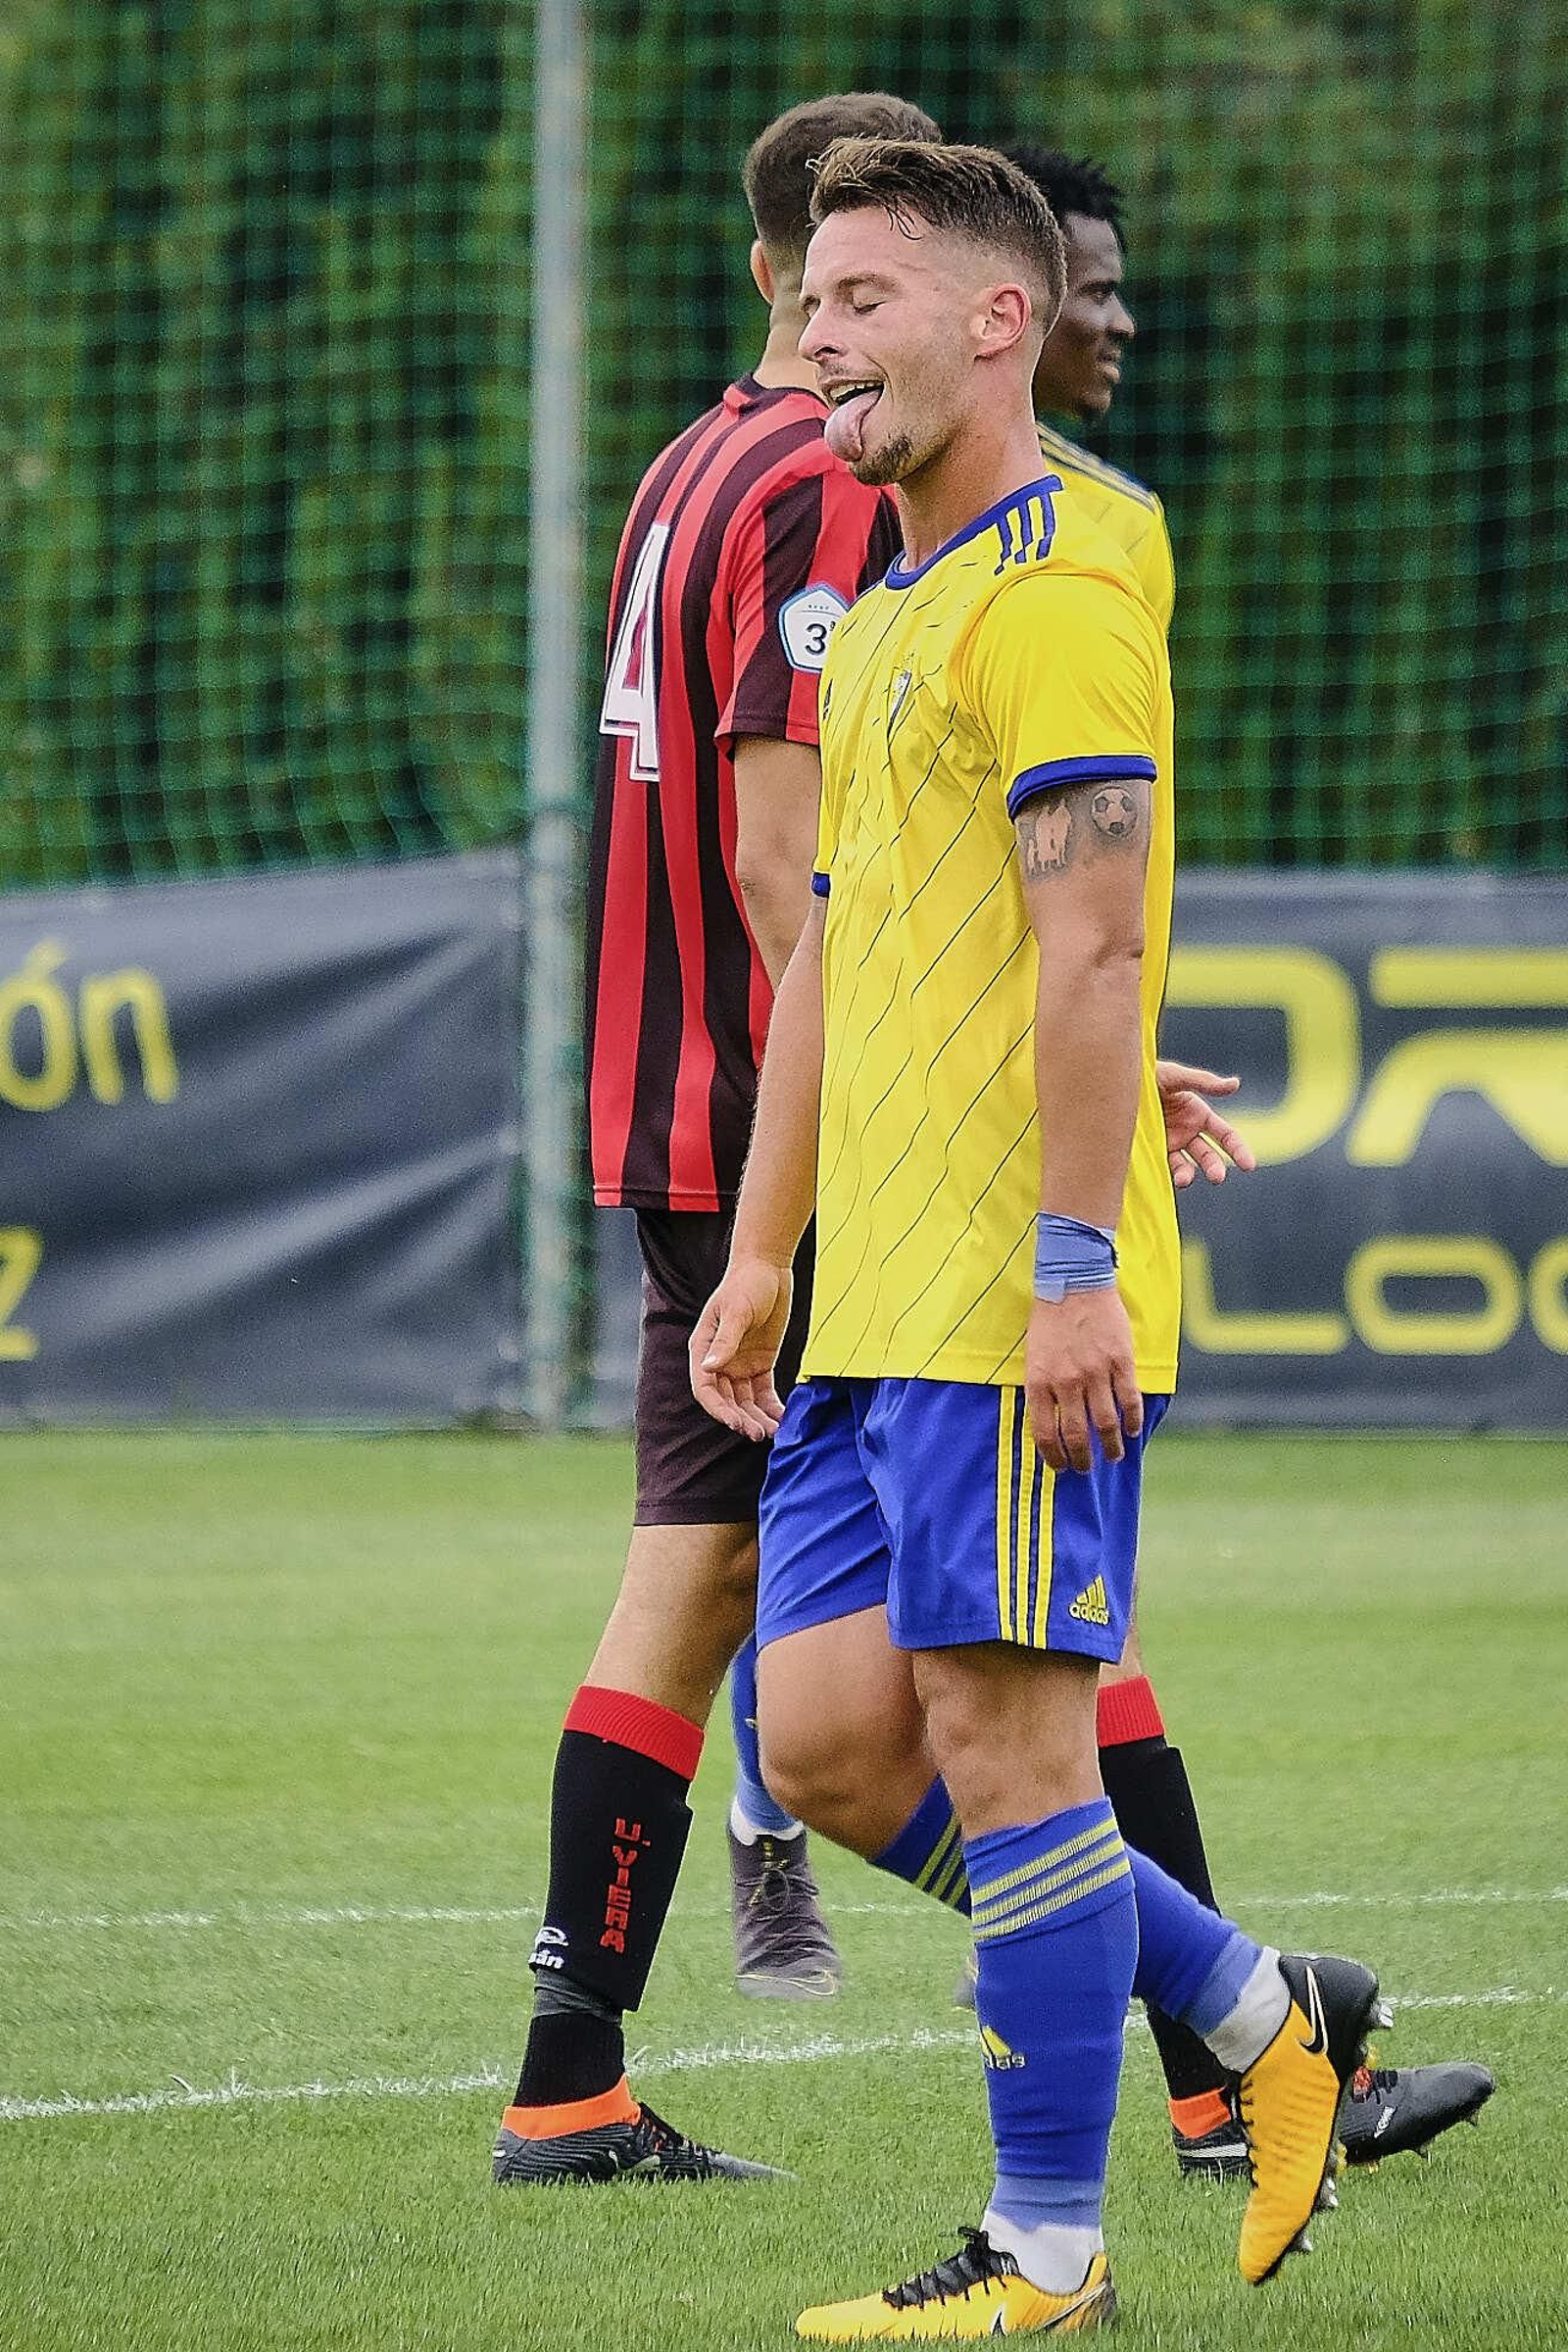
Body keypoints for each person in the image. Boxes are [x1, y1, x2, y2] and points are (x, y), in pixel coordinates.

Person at [693, 137, 1389, 2328]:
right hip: (868, 1297)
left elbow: (1088, 949)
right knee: (815, 1739)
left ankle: (1045, 2252)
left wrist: (1075, 1258)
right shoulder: (885, 595)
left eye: (866, 299)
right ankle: (1259, 2016)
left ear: (996, 320)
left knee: (1009, 1758)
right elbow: (839, 952)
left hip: (1008, 1299)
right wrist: (754, 1247)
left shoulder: (1062, 581)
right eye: (811, 302)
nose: (819, 341)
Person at [932, 141, 1491, 2180]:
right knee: (864, 1721)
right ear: (993, 300)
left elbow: (1001, 907)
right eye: (1089, 279)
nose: (1118, 318)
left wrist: (1086, 1065)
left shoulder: (1036, 549)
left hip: (938, 1189)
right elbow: (811, 889)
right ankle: (1239, 2040)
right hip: (875, 1208)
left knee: (966, 1703)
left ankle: (1188, 2099)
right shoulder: (954, 537)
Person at [488, 92, 945, 2189]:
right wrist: (875, 1127)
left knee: (686, 1585)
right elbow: (787, 874)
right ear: (820, 269)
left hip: (669, 1110)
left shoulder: (686, 461)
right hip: (784, 1132)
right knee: (1023, 1609)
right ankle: (1227, 2039)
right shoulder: (826, 489)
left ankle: (567, 2079)